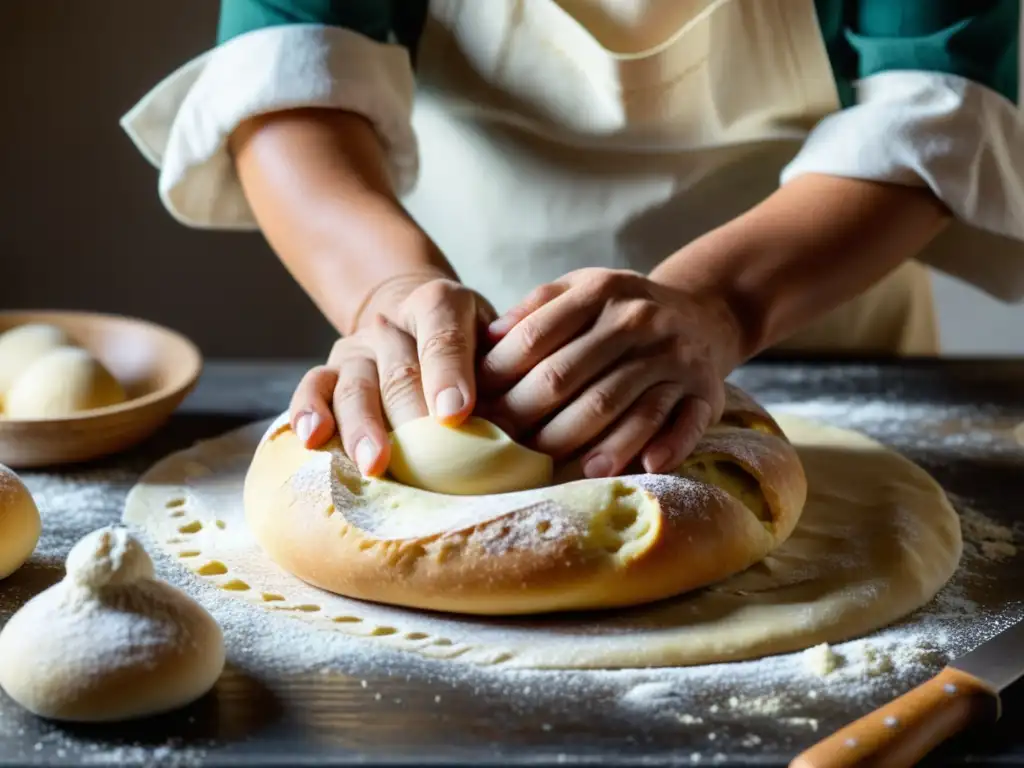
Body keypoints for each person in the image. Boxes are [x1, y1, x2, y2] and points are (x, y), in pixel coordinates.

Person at [123, 0, 1024, 481]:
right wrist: (385, 294)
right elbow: (286, 75)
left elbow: (933, 109)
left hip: (820, 345)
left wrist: (720, 305)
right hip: (467, 372)